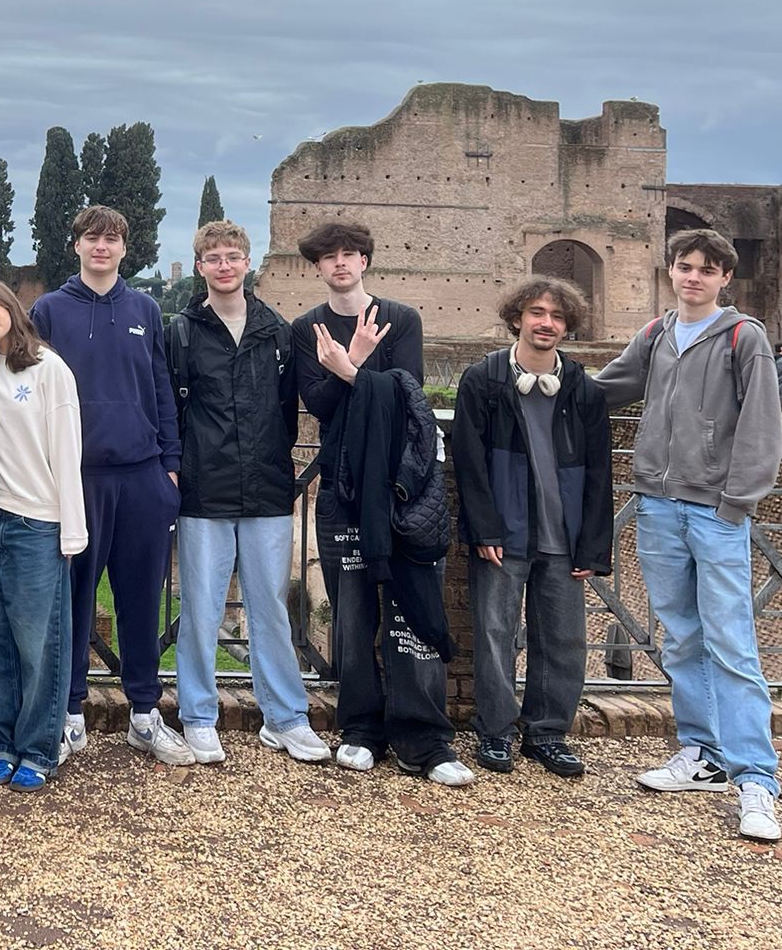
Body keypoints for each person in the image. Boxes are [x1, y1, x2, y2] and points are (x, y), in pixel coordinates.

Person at [594, 228, 782, 842]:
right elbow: (605, 389)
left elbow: (762, 425)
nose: (693, 277)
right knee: (680, 638)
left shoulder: (743, 337)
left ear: (725, 277)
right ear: (671, 272)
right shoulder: (655, 335)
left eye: (706, 268)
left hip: (715, 511)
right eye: (684, 266)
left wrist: (737, 504)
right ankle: (703, 754)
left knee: (731, 642)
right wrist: (530, 380)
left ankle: (756, 778)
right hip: (657, 505)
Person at [292, 220, 468, 785]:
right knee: (353, 613)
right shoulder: (307, 328)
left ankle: (424, 738)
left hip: (400, 487)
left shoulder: (402, 318)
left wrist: (348, 366)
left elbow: (408, 394)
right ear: (318, 267)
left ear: (365, 261)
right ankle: (361, 728)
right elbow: (320, 405)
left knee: (410, 608)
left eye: (350, 254)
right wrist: (359, 366)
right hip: (343, 488)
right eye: (329, 257)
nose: (340, 263)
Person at [28, 205, 189, 766]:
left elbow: (161, 387)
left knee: (141, 600)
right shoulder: (49, 310)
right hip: (77, 479)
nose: (102, 246)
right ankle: (69, 712)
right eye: (92, 237)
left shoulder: (146, 308)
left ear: (125, 248)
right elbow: (29, 387)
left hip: (142, 475)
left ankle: (144, 713)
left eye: (112, 238)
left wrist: (170, 465)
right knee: (72, 600)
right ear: (76, 245)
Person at [168, 220, 329, 767]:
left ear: (247, 263)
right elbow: (172, 409)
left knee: (270, 609)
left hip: (265, 486)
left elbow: (288, 408)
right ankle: (198, 715)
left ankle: (285, 717)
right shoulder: (182, 332)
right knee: (201, 610)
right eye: (213, 258)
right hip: (204, 488)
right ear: (200, 267)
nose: (224, 265)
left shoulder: (277, 331)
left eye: (232, 256)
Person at [449, 277, 613, 780]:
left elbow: (600, 472)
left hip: (563, 537)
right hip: (505, 533)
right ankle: (496, 730)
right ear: (517, 317)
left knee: (563, 640)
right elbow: (468, 462)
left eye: (558, 316)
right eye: (538, 312)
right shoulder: (484, 380)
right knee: (495, 635)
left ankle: (547, 733)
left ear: (568, 326)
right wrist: (484, 528)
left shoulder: (584, 389)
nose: (547, 323)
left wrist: (593, 545)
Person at [0, 279, 85, 791]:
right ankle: (3, 743)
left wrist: (71, 530)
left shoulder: (49, 368)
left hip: (36, 522)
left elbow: (67, 450)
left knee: (39, 646)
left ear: (11, 307)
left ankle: (38, 748)